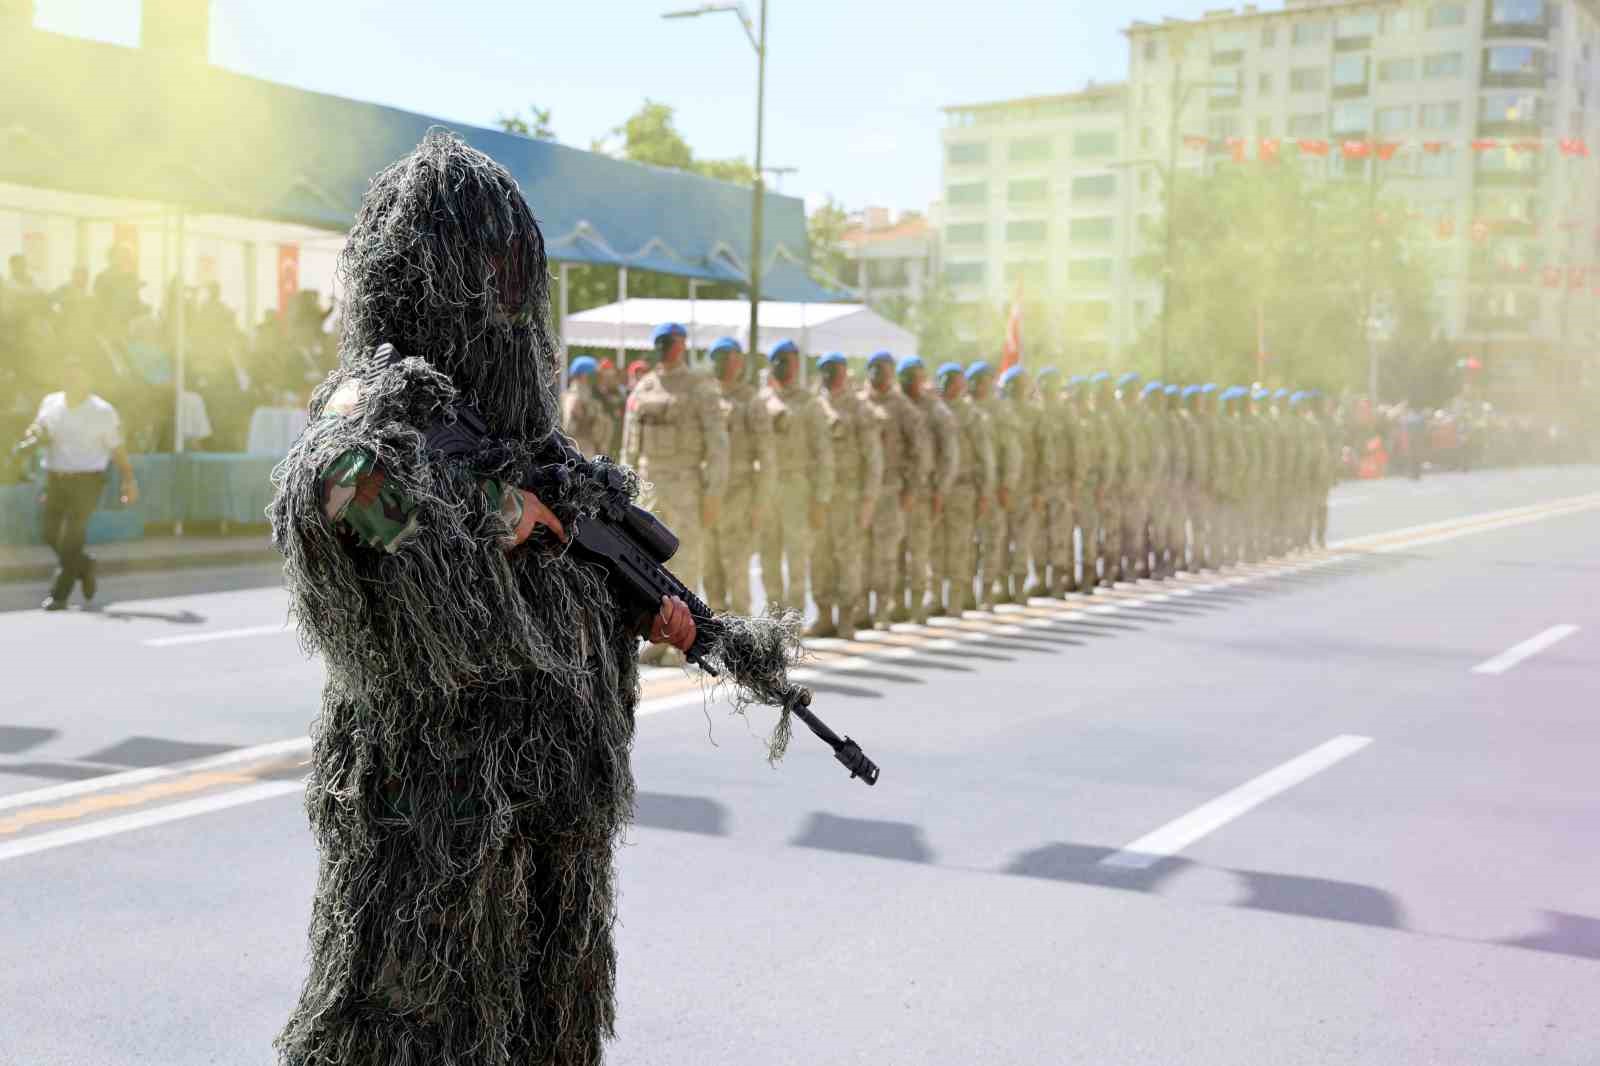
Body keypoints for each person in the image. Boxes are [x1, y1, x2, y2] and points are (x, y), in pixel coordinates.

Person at [269, 131, 777, 1066]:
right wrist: (502, 513)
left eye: (513, 276)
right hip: (435, 811)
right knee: (409, 1024)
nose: (502, 299)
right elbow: (354, 506)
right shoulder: (371, 414)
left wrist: (642, 612)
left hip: (558, 806)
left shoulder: (534, 444)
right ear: (418, 276)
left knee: (554, 1022)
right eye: (482, 271)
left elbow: (573, 563)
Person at [621, 321, 730, 665]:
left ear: (683, 344)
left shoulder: (700, 388)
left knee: (685, 562)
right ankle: (660, 635)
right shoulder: (644, 388)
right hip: (649, 488)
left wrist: (714, 494)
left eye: (671, 341)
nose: (666, 347)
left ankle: (686, 642)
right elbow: (629, 447)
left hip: (686, 487)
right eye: (662, 341)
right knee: (649, 566)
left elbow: (718, 447)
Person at [25, 359, 139, 610]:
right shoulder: (50, 402)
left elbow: (117, 449)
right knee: (49, 533)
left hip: (88, 480)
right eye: (69, 377)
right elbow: (37, 427)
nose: (74, 382)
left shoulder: (102, 411)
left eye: (79, 377)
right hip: (56, 476)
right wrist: (32, 434)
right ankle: (84, 565)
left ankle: (59, 595)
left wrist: (128, 480)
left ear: (89, 380)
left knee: (72, 538)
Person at [808, 352, 883, 637]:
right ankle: (824, 615)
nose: (831, 375)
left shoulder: (859, 409)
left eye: (836, 369)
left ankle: (847, 617)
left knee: (847, 557)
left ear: (845, 371)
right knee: (820, 557)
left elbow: (873, 459)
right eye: (826, 369)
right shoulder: (814, 405)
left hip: (848, 498)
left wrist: (868, 501)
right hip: (817, 498)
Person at [756, 338, 833, 611]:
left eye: (790, 361)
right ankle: (774, 618)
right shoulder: (761, 402)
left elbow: (824, 454)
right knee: (768, 557)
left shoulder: (809, 404)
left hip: (797, 489)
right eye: (779, 361)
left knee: (797, 559)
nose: (784, 366)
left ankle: (794, 621)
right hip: (766, 490)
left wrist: (821, 499)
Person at [704, 337, 776, 618]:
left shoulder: (751, 402)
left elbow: (767, 458)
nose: (723, 363)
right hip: (707, 495)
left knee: (736, 570)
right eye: (718, 357)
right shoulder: (705, 397)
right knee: (710, 571)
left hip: (739, 495)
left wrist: (760, 504)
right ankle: (716, 634)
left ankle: (742, 637)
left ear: (740, 362)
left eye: (729, 357)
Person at [860, 350, 929, 628]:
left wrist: (912, 488)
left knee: (886, 554)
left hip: (890, 490)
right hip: (861, 493)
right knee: (861, 554)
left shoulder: (904, 409)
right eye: (876, 368)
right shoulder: (859, 403)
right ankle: (860, 609)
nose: (881, 374)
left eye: (886, 369)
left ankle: (883, 609)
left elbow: (920, 453)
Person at [894, 355, 958, 623]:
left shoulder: (937, 411)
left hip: (922, 492)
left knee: (920, 550)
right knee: (893, 552)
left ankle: (919, 605)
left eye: (916, 375)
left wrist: (940, 491)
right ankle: (897, 604)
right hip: (894, 491)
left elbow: (949, 455)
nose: (911, 381)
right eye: (906, 375)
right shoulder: (894, 406)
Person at [937, 362, 994, 614]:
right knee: (936, 546)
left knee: (961, 545)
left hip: (962, 489)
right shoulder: (934, 411)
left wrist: (984, 492)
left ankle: (957, 600)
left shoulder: (971, 415)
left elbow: (986, 458)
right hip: (936, 490)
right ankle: (936, 598)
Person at [560, 355, 613, 456]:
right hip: (581, 445)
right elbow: (569, 426)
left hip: (589, 443)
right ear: (584, 374)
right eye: (592, 373)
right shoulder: (575, 395)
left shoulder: (586, 392)